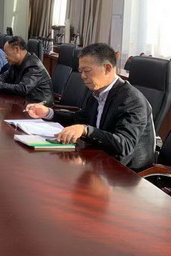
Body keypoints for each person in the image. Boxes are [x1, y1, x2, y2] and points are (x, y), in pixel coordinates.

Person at [26, 43, 155, 171]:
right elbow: (80, 119)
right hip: (98, 160)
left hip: (125, 173)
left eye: (87, 71)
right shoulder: (98, 92)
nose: (82, 76)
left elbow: (124, 145)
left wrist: (86, 130)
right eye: (80, 71)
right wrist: (49, 113)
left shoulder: (132, 100)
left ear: (107, 68)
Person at [0, 36, 53, 105]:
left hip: (39, 106)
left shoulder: (34, 66)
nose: (5, 56)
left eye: (7, 53)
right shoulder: (16, 62)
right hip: (23, 102)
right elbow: (4, 76)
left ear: (17, 49)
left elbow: (23, 89)